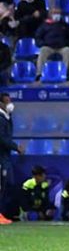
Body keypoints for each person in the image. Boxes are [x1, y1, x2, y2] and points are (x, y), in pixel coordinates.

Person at [0, 92, 22, 224]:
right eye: (6, 101)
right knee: (2, 185)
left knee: (8, 185)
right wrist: (16, 147)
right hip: (1, 158)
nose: (10, 104)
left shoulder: (7, 117)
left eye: (10, 101)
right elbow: (1, 138)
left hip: (5, 157)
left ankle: (5, 213)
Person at [35, 7, 69, 78]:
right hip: (48, 47)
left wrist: (66, 43)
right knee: (43, 50)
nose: (57, 15)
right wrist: (43, 44)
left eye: (58, 13)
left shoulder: (64, 25)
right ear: (50, 14)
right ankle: (39, 74)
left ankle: (66, 74)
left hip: (61, 47)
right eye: (55, 13)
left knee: (67, 50)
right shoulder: (44, 25)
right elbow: (38, 37)